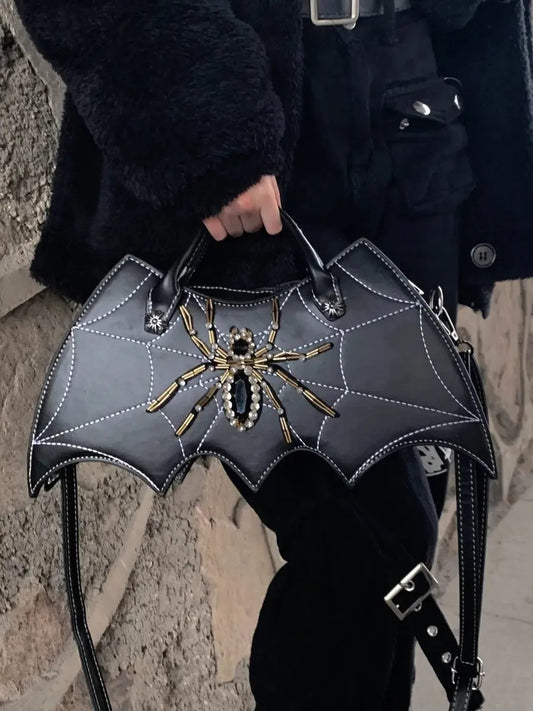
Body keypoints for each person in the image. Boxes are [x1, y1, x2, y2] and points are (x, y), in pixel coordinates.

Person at [13, 0, 533, 708]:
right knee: (365, 550)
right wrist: (205, 129)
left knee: (400, 553)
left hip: (418, 115)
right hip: (258, 139)